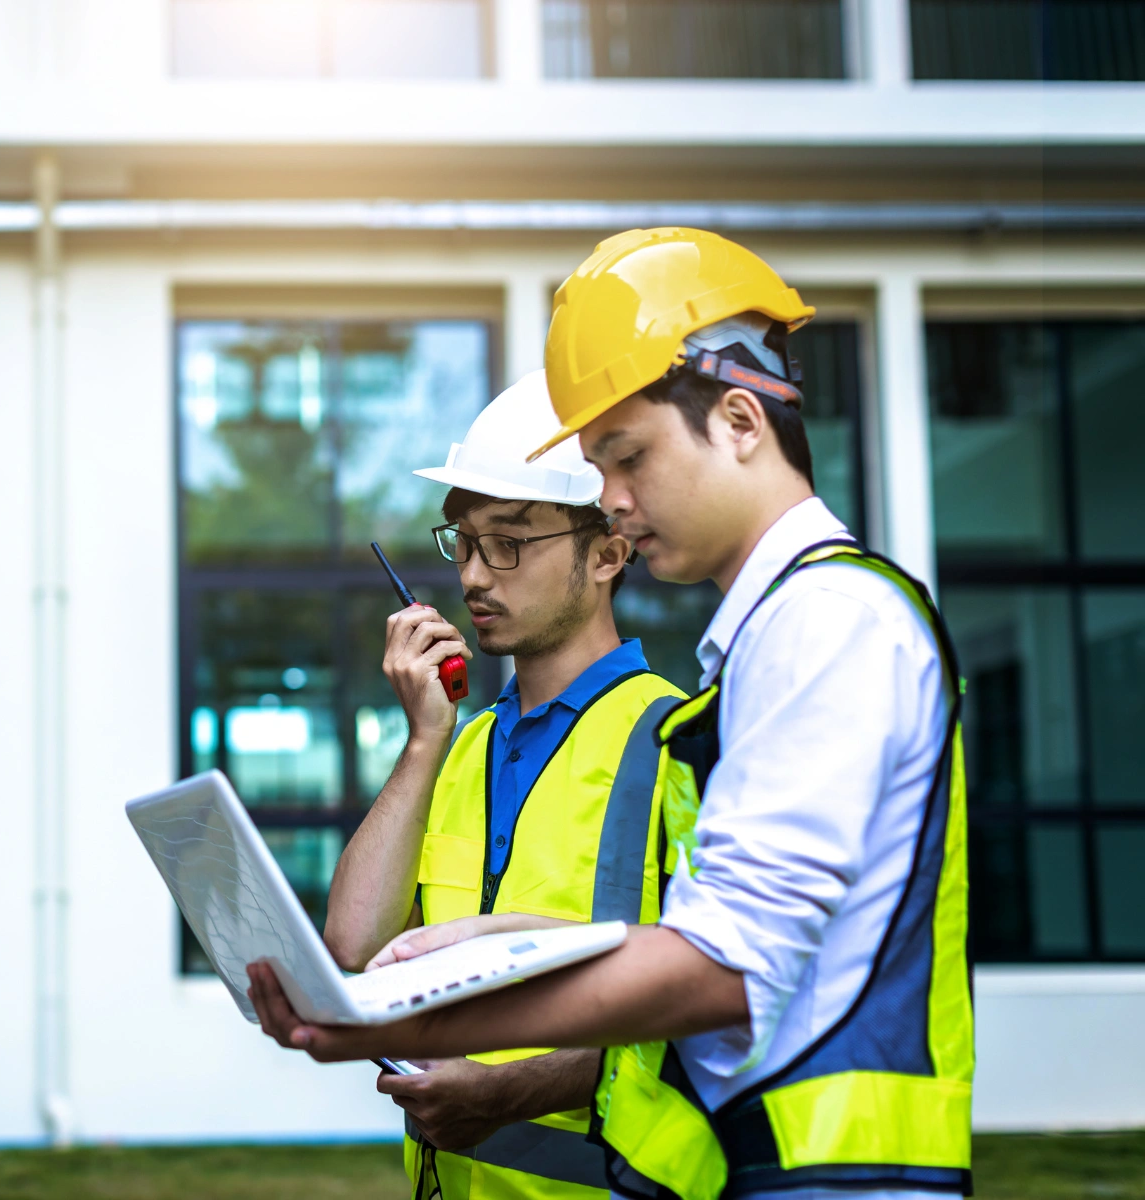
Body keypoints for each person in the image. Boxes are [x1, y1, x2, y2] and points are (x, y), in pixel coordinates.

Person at [246, 227, 973, 1200]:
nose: (616, 500)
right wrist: (498, 946)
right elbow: (726, 940)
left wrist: (413, 1021)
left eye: (627, 457)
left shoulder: (827, 621)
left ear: (741, 420)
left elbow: (723, 967)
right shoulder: (778, 636)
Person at [324, 370, 685, 1200]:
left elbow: (699, 1012)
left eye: (510, 543)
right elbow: (351, 947)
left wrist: (505, 1093)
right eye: (465, 543)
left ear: (608, 553)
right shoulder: (460, 747)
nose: (475, 578)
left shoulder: (678, 742)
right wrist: (425, 738)